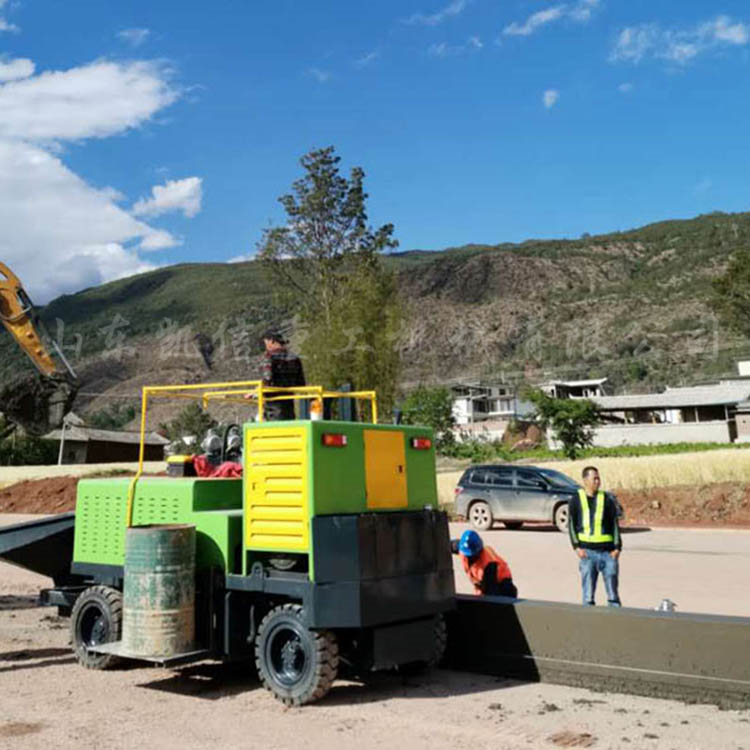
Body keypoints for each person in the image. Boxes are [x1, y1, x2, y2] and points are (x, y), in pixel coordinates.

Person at [568, 466, 622, 607]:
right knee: (588, 595)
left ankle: (615, 619)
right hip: (587, 553)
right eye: (594, 479)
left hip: (607, 553)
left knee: (613, 595)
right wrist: (577, 548)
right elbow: (572, 525)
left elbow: (614, 525)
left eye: (598, 478)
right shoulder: (576, 499)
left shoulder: (607, 499)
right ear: (585, 480)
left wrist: (617, 549)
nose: (597, 482)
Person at [455, 529, 518, 597]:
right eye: (468, 556)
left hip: (501, 584)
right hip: (483, 584)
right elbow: (448, 545)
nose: (470, 558)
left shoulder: (489, 565)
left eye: (473, 556)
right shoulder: (463, 548)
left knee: (499, 602)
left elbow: (492, 595)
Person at [260, 330, 306, 421]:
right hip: (289, 407)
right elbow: (300, 384)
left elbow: (267, 379)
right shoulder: (294, 358)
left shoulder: (269, 357)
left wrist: (255, 393)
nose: (266, 347)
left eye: (266, 343)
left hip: (273, 408)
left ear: (272, 341)